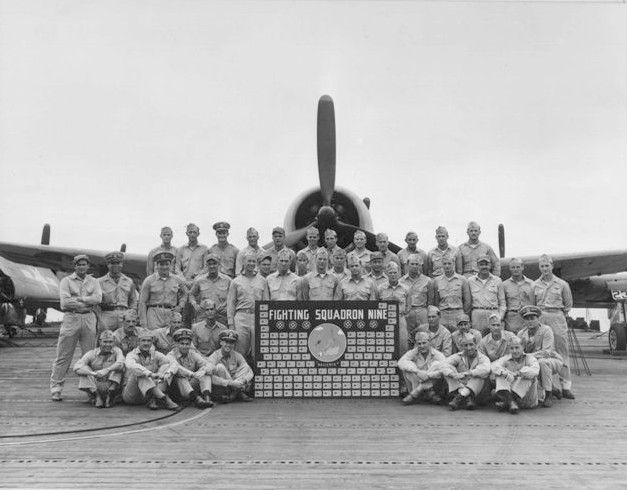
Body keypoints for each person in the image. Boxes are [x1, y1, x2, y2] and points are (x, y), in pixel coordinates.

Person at [50, 254, 102, 401]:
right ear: (74, 266)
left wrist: (79, 299)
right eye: (79, 264)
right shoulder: (66, 281)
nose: (81, 267)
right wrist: (87, 301)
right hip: (71, 318)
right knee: (63, 355)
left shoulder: (94, 281)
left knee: (89, 355)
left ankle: (90, 389)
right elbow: (64, 303)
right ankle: (56, 388)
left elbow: (98, 298)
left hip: (89, 318)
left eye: (84, 264)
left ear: (88, 266)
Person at [532, 254, 575, 399]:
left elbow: (568, 304)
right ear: (539, 267)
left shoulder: (562, 284)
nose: (545, 269)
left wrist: (558, 314)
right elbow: (532, 304)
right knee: (542, 351)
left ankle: (566, 386)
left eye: (547, 266)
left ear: (552, 266)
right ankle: (547, 387)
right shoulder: (535, 285)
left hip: (557, 316)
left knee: (562, 351)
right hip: (541, 317)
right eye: (542, 266)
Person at [517, 305, 569, 407]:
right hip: (532, 361)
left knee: (542, 363)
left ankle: (548, 394)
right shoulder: (521, 334)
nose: (530, 321)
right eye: (527, 319)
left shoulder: (546, 330)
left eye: (532, 318)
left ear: (538, 319)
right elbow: (518, 350)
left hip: (551, 360)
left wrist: (527, 356)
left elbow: (546, 352)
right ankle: (553, 389)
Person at [227, 251, 270, 358]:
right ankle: (240, 374)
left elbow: (266, 303)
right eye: (249, 261)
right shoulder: (236, 281)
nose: (251, 263)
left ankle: (257, 374)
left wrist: (266, 321)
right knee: (240, 349)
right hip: (241, 318)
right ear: (243, 262)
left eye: (253, 261)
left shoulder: (262, 280)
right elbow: (231, 303)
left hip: (257, 317)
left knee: (258, 350)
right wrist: (231, 323)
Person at [122, 330, 179, 410]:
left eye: (149, 341)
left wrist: (166, 374)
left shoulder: (155, 354)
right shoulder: (131, 355)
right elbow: (131, 365)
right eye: (143, 340)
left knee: (166, 365)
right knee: (139, 373)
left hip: (147, 395)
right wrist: (150, 374)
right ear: (138, 342)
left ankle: (155, 398)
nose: (146, 343)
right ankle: (163, 398)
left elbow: (173, 363)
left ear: (152, 342)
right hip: (132, 395)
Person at [73, 330, 124, 408]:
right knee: (84, 369)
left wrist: (107, 370)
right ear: (100, 342)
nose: (108, 345)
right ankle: (97, 396)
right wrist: (93, 373)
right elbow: (76, 367)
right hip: (96, 384)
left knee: (119, 367)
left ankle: (110, 395)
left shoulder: (117, 351)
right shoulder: (91, 353)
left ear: (113, 342)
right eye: (105, 342)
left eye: (110, 342)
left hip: (112, 383)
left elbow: (120, 363)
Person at [166, 328, 214, 408]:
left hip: (190, 385)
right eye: (182, 344)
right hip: (178, 389)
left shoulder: (192, 353)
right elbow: (177, 368)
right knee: (181, 377)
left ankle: (207, 398)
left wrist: (203, 371)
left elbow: (209, 364)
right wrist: (192, 374)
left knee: (205, 373)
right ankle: (197, 399)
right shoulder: (170, 355)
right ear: (177, 344)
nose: (185, 346)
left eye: (187, 344)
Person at [442, 333, 491, 410]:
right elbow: (443, 364)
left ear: (476, 345)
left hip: (477, 391)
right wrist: (453, 374)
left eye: (471, 345)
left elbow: (486, 369)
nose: (469, 348)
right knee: (448, 370)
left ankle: (459, 397)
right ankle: (466, 397)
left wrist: (468, 373)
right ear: (462, 347)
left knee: (481, 375)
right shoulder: (459, 356)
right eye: (466, 345)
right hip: (461, 384)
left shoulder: (483, 358)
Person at [491, 337, 540, 414]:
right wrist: (505, 373)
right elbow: (493, 366)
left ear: (523, 347)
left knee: (528, 375)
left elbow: (535, 371)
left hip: (527, 400)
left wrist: (518, 373)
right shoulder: (506, 358)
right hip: (512, 400)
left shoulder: (530, 358)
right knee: (501, 374)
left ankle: (508, 402)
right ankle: (511, 402)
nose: (514, 351)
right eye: (512, 348)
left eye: (517, 348)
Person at [138, 251, 186, 330]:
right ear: (157, 265)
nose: (164, 267)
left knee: (169, 338)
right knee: (154, 337)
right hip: (154, 313)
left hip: (170, 313)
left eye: (167, 264)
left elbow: (185, 294)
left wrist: (180, 306)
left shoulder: (177, 280)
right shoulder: (149, 280)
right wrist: (144, 323)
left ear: (170, 265)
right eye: (161, 264)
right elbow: (142, 302)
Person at [398, 331, 446, 405]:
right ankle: (427, 391)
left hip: (433, 385)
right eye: (419, 344)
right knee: (408, 365)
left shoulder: (437, 354)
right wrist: (417, 371)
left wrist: (428, 375)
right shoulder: (413, 352)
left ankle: (417, 392)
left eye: (424, 343)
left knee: (437, 364)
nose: (422, 346)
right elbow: (400, 362)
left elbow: (445, 367)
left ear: (429, 342)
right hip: (418, 382)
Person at [206, 330, 254, 403]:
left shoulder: (237, 355)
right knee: (219, 367)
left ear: (234, 344)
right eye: (226, 342)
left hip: (236, 383)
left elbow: (249, 371)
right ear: (221, 342)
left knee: (246, 367)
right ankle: (238, 392)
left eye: (231, 342)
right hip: (221, 387)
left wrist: (243, 381)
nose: (228, 345)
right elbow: (209, 376)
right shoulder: (214, 356)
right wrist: (231, 383)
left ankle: (235, 392)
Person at [98, 251, 138, 332]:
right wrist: (99, 318)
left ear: (122, 264)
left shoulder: (129, 281)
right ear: (108, 265)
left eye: (118, 263)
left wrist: (131, 314)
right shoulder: (99, 282)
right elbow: (95, 302)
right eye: (112, 263)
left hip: (124, 314)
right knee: (104, 339)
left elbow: (133, 300)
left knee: (123, 339)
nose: (115, 265)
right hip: (107, 314)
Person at [400, 254, 434, 347]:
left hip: (422, 311)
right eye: (412, 264)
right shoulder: (401, 281)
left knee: (424, 337)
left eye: (417, 264)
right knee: (408, 338)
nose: (415, 266)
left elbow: (431, 301)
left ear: (420, 265)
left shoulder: (428, 281)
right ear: (407, 265)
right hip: (408, 312)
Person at [189, 253, 231, 326]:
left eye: (214, 263)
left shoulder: (228, 280)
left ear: (219, 264)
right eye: (209, 264)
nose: (212, 266)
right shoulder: (199, 280)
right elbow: (191, 294)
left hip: (221, 317)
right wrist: (195, 305)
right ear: (206, 265)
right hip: (203, 316)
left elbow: (234, 298)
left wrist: (228, 308)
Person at [433, 255, 472, 332]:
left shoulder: (462, 279)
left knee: (459, 336)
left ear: (453, 264)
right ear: (442, 265)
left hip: (457, 312)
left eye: (449, 263)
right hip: (443, 314)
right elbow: (436, 301)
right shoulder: (437, 280)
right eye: (445, 264)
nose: (447, 266)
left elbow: (467, 300)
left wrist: (463, 314)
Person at [377, 262, 410, 354]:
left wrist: (403, 316)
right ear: (386, 274)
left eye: (395, 272)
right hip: (385, 319)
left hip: (400, 318)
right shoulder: (380, 288)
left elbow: (409, 306)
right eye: (390, 273)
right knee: (385, 343)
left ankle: (402, 366)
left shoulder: (405, 288)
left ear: (399, 273)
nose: (393, 275)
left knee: (403, 343)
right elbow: (376, 304)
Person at [468, 255, 506, 335]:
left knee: (495, 339)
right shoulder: (470, 281)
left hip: (493, 313)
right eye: (481, 264)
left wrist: (499, 316)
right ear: (477, 266)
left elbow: (502, 302)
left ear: (490, 265)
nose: (484, 267)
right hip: (477, 314)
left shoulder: (497, 280)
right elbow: (467, 301)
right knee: (477, 339)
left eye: (486, 264)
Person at [502, 258, 534, 333]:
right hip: (512, 319)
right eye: (513, 267)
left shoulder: (531, 284)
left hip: (527, 317)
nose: (515, 269)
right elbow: (502, 303)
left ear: (522, 267)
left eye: (518, 267)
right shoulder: (504, 285)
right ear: (509, 268)